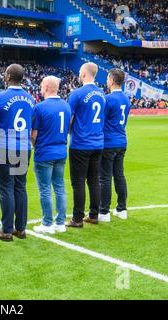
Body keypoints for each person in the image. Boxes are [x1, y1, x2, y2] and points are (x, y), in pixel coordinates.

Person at [0, 64, 35, 241]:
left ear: (8, 76)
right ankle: (21, 228)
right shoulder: (31, 99)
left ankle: (7, 230)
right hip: (24, 148)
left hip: (4, 147)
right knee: (20, 187)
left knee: (6, 188)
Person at [66, 62, 106, 228]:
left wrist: (67, 132)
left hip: (81, 143)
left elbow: (70, 118)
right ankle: (94, 215)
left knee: (79, 182)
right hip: (98, 143)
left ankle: (77, 218)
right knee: (94, 181)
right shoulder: (102, 93)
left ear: (83, 74)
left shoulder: (77, 94)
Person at [31, 76, 71, 234]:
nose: (40, 88)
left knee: (45, 189)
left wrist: (35, 146)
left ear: (47, 87)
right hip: (61, 151)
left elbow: (33, 135)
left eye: (41, 85)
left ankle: (47, 223)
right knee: (60, 187)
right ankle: (60, 223)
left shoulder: (40, 108)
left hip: (45, 153)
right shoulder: (66, 106)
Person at [99, 68, 130, 222]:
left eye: (107, 78)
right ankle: (122, 209)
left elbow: (100, 121)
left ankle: (104, 212)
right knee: (119, 175)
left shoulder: (107, 99)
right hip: (122, 140)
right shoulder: (126, 98)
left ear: (111, 80)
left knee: (105, 177)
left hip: (109, 142)